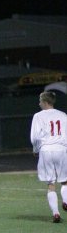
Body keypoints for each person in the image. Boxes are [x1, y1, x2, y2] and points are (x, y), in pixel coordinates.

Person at [30, 91, 67, 223]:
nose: (39, 103)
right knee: (65, 181)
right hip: (62, 149)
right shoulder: (63, 115)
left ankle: (56, 213)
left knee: (51, 184)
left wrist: (35, 149)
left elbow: (34, 137)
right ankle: (66, 201)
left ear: (45, 102)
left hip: (46, 150)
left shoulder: (38, 116)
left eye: (40, 101)